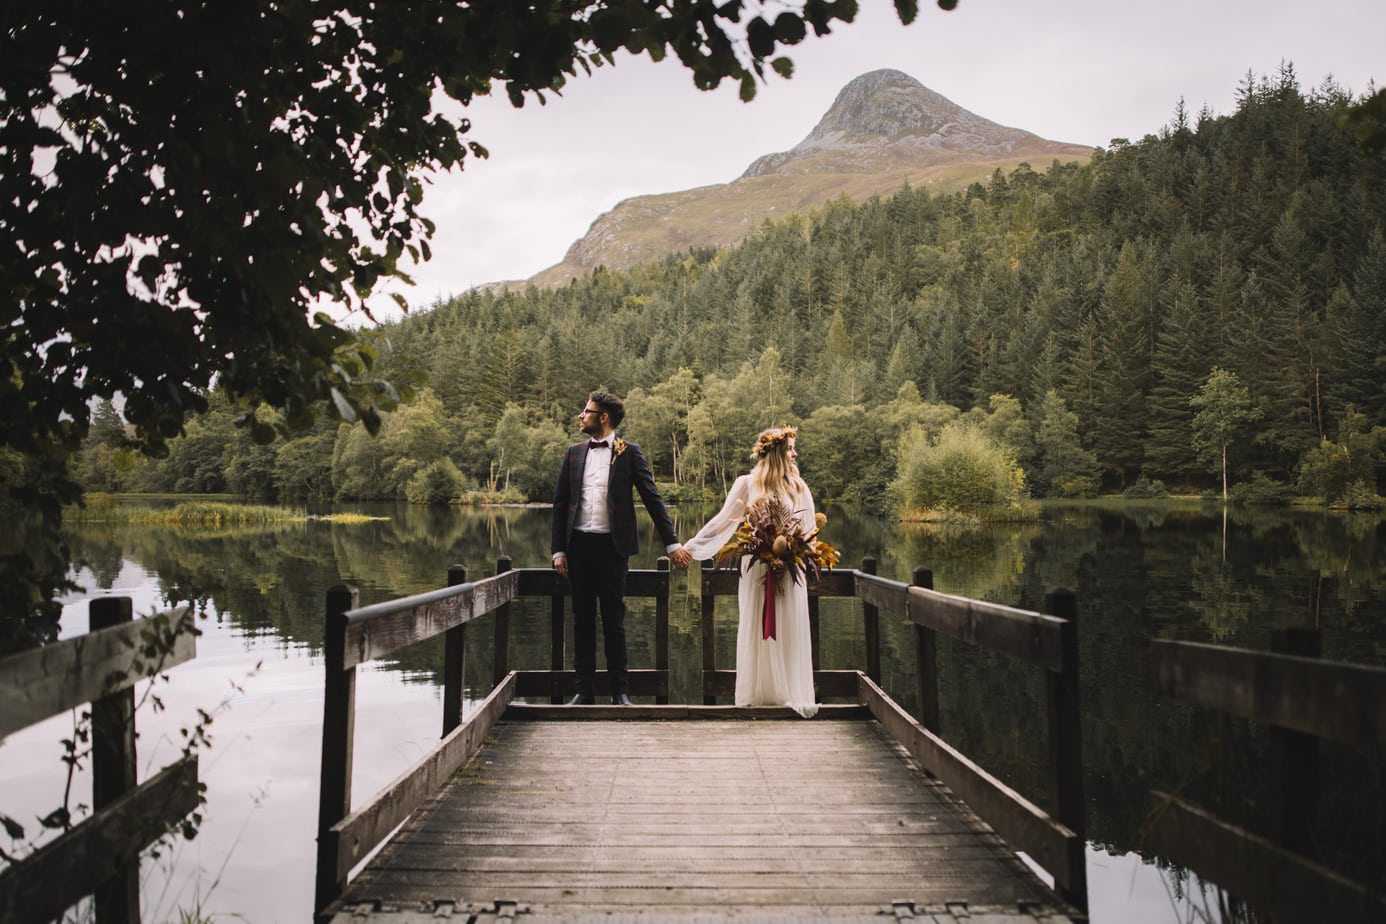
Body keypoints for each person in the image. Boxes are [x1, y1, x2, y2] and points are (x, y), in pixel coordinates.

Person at [551, 390, 692, 706]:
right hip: (578, 548)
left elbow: (652, 498)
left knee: (614, 621)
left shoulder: (629, 452)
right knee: (582, 620)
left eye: (586, 411)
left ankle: (620, 692)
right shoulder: (573, 453)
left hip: (613, 550)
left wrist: (671, 542)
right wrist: (558, 550)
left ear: (603, 417)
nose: (580, 415)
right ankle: (583, 691)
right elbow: (560, 504)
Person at [682, 426, 823, 718]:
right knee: (758, 628)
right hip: (757, 568)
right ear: (774, 454)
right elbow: (722, 522)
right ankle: (760, 695)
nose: (795, 455)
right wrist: (691, 547)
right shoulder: (747, 484)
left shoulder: (799, 487)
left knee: (789, 627)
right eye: (790, 450)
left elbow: (810, 531)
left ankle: (789, 694)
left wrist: (797, 552)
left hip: (789, 569)